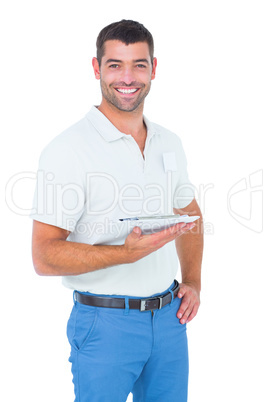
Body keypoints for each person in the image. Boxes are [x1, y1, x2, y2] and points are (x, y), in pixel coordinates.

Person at [31, 19, 203, 402]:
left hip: (170, 319)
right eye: (115, 65)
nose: (128, 77)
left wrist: (193, 279)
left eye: (139, 64)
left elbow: (191, 212)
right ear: (97, 69)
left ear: (154, 69)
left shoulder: (168, 142)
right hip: (105, 324)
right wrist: (123, 255)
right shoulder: (67, 150)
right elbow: (43, 255)